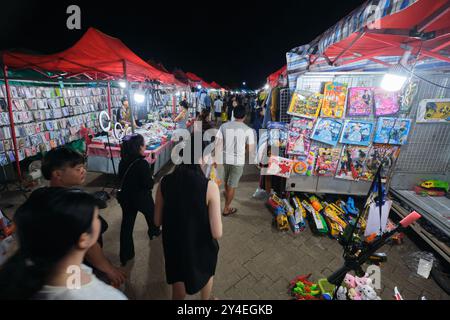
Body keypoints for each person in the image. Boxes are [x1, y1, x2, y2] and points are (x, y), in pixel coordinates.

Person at [0, 187, 127, 300]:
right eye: (95, 217)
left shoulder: (23, 265)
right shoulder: (105, 296)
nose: (100, 221)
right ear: (83, 239)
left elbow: (74, 282)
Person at [41, 147, 126, 288]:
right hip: (79, 266)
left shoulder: (41, 194)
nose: (83, 171)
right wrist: (109, 269)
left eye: (83, 167)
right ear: (57, 174)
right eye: (78, 168)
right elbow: (89, 246)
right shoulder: (74, 203)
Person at [154, 136, 222, 300]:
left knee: (178, 281)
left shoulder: (164, 182)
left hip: (174, 244)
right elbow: (217, 233)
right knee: (206, 272)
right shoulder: (209, 186)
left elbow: (156, 222)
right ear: (202, 157)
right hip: (200, 245)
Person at [118, 134, 161, 266]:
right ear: (138, 147)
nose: (145, 146)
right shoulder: (142, 163)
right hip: (141, 198)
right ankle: (153, 232)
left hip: (126, 198)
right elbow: (149, 184)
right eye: (143, 144)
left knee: (127, 226)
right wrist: (151, 171)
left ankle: (126, 254)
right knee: (152, 215)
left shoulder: (123, 161)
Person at [216, 105, 255, 216]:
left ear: (233, 114)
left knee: (227, 180)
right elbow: (250, 148)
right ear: (245, 116)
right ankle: (226, 208)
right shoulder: (248, 130)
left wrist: (215, 158)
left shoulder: (224, 126)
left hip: (225, 159)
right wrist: (243, 151)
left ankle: (227, 193)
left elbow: (218, 143)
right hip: (238, 161)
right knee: (232, 184)